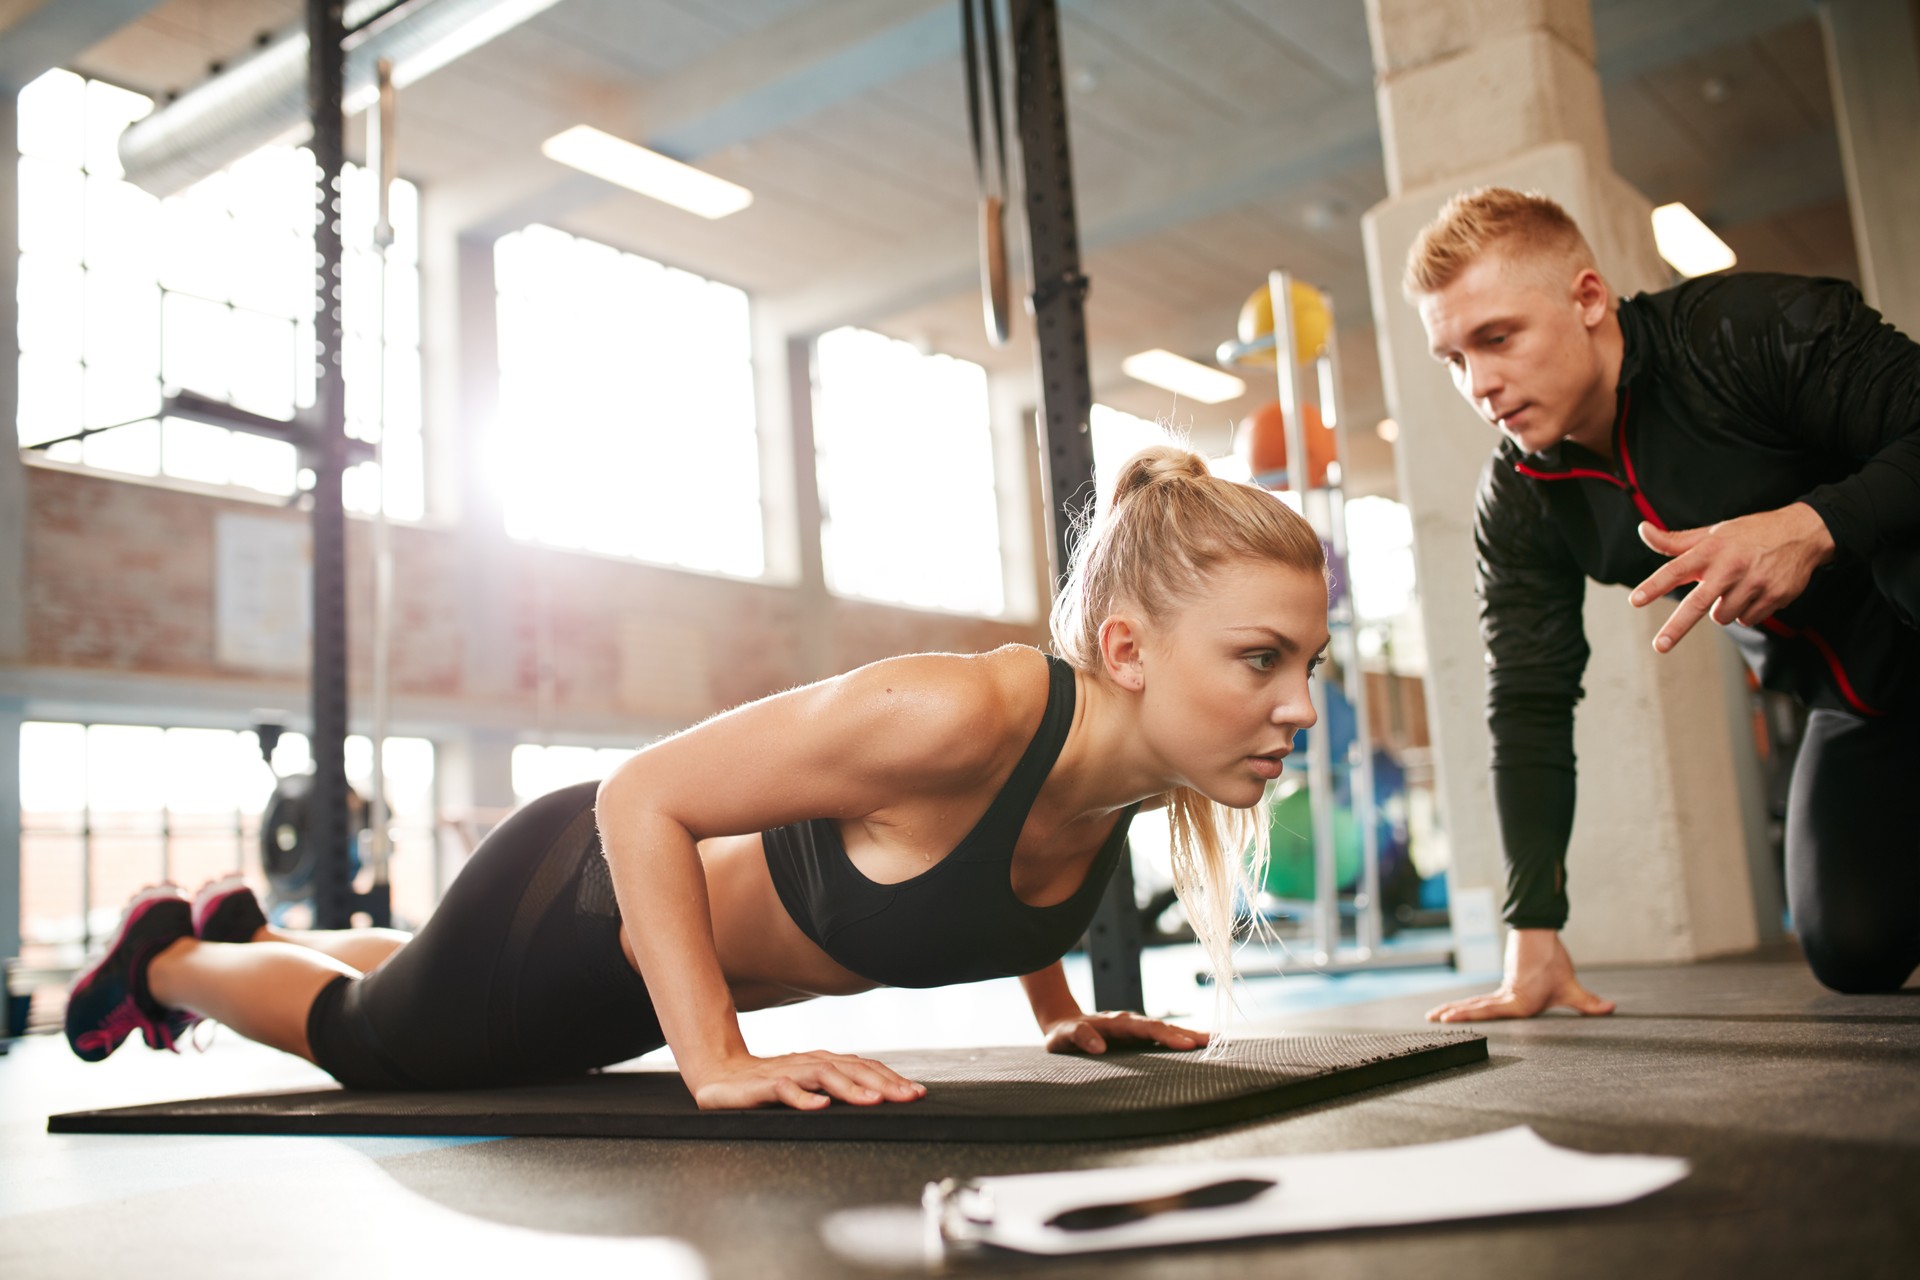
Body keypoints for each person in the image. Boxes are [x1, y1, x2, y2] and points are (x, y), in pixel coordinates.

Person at [63, 445, 1331, 1111]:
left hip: (644, 976)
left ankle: (262, 930)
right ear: (1127, 648)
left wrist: (1056, 1010)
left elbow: (996, 863)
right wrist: (713, 1056)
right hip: (585, 910)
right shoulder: (957, 708)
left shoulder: (1131, 772)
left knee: (416, 969)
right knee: (373, 1042)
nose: (1303, 703)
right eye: (1263, 658)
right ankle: (171, 952)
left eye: (1311, 660)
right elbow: (639, 797)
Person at [1403, 187, 1920, 1022]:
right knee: (1853, 949)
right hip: (1860, 706)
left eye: (1498, 338)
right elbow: (1529, 697)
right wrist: (1533, 926)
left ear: (1588, 298)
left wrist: (1814, 524)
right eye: (1455, 358)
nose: (1480, 384)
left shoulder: (1746, 330)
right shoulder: (1523, 494)